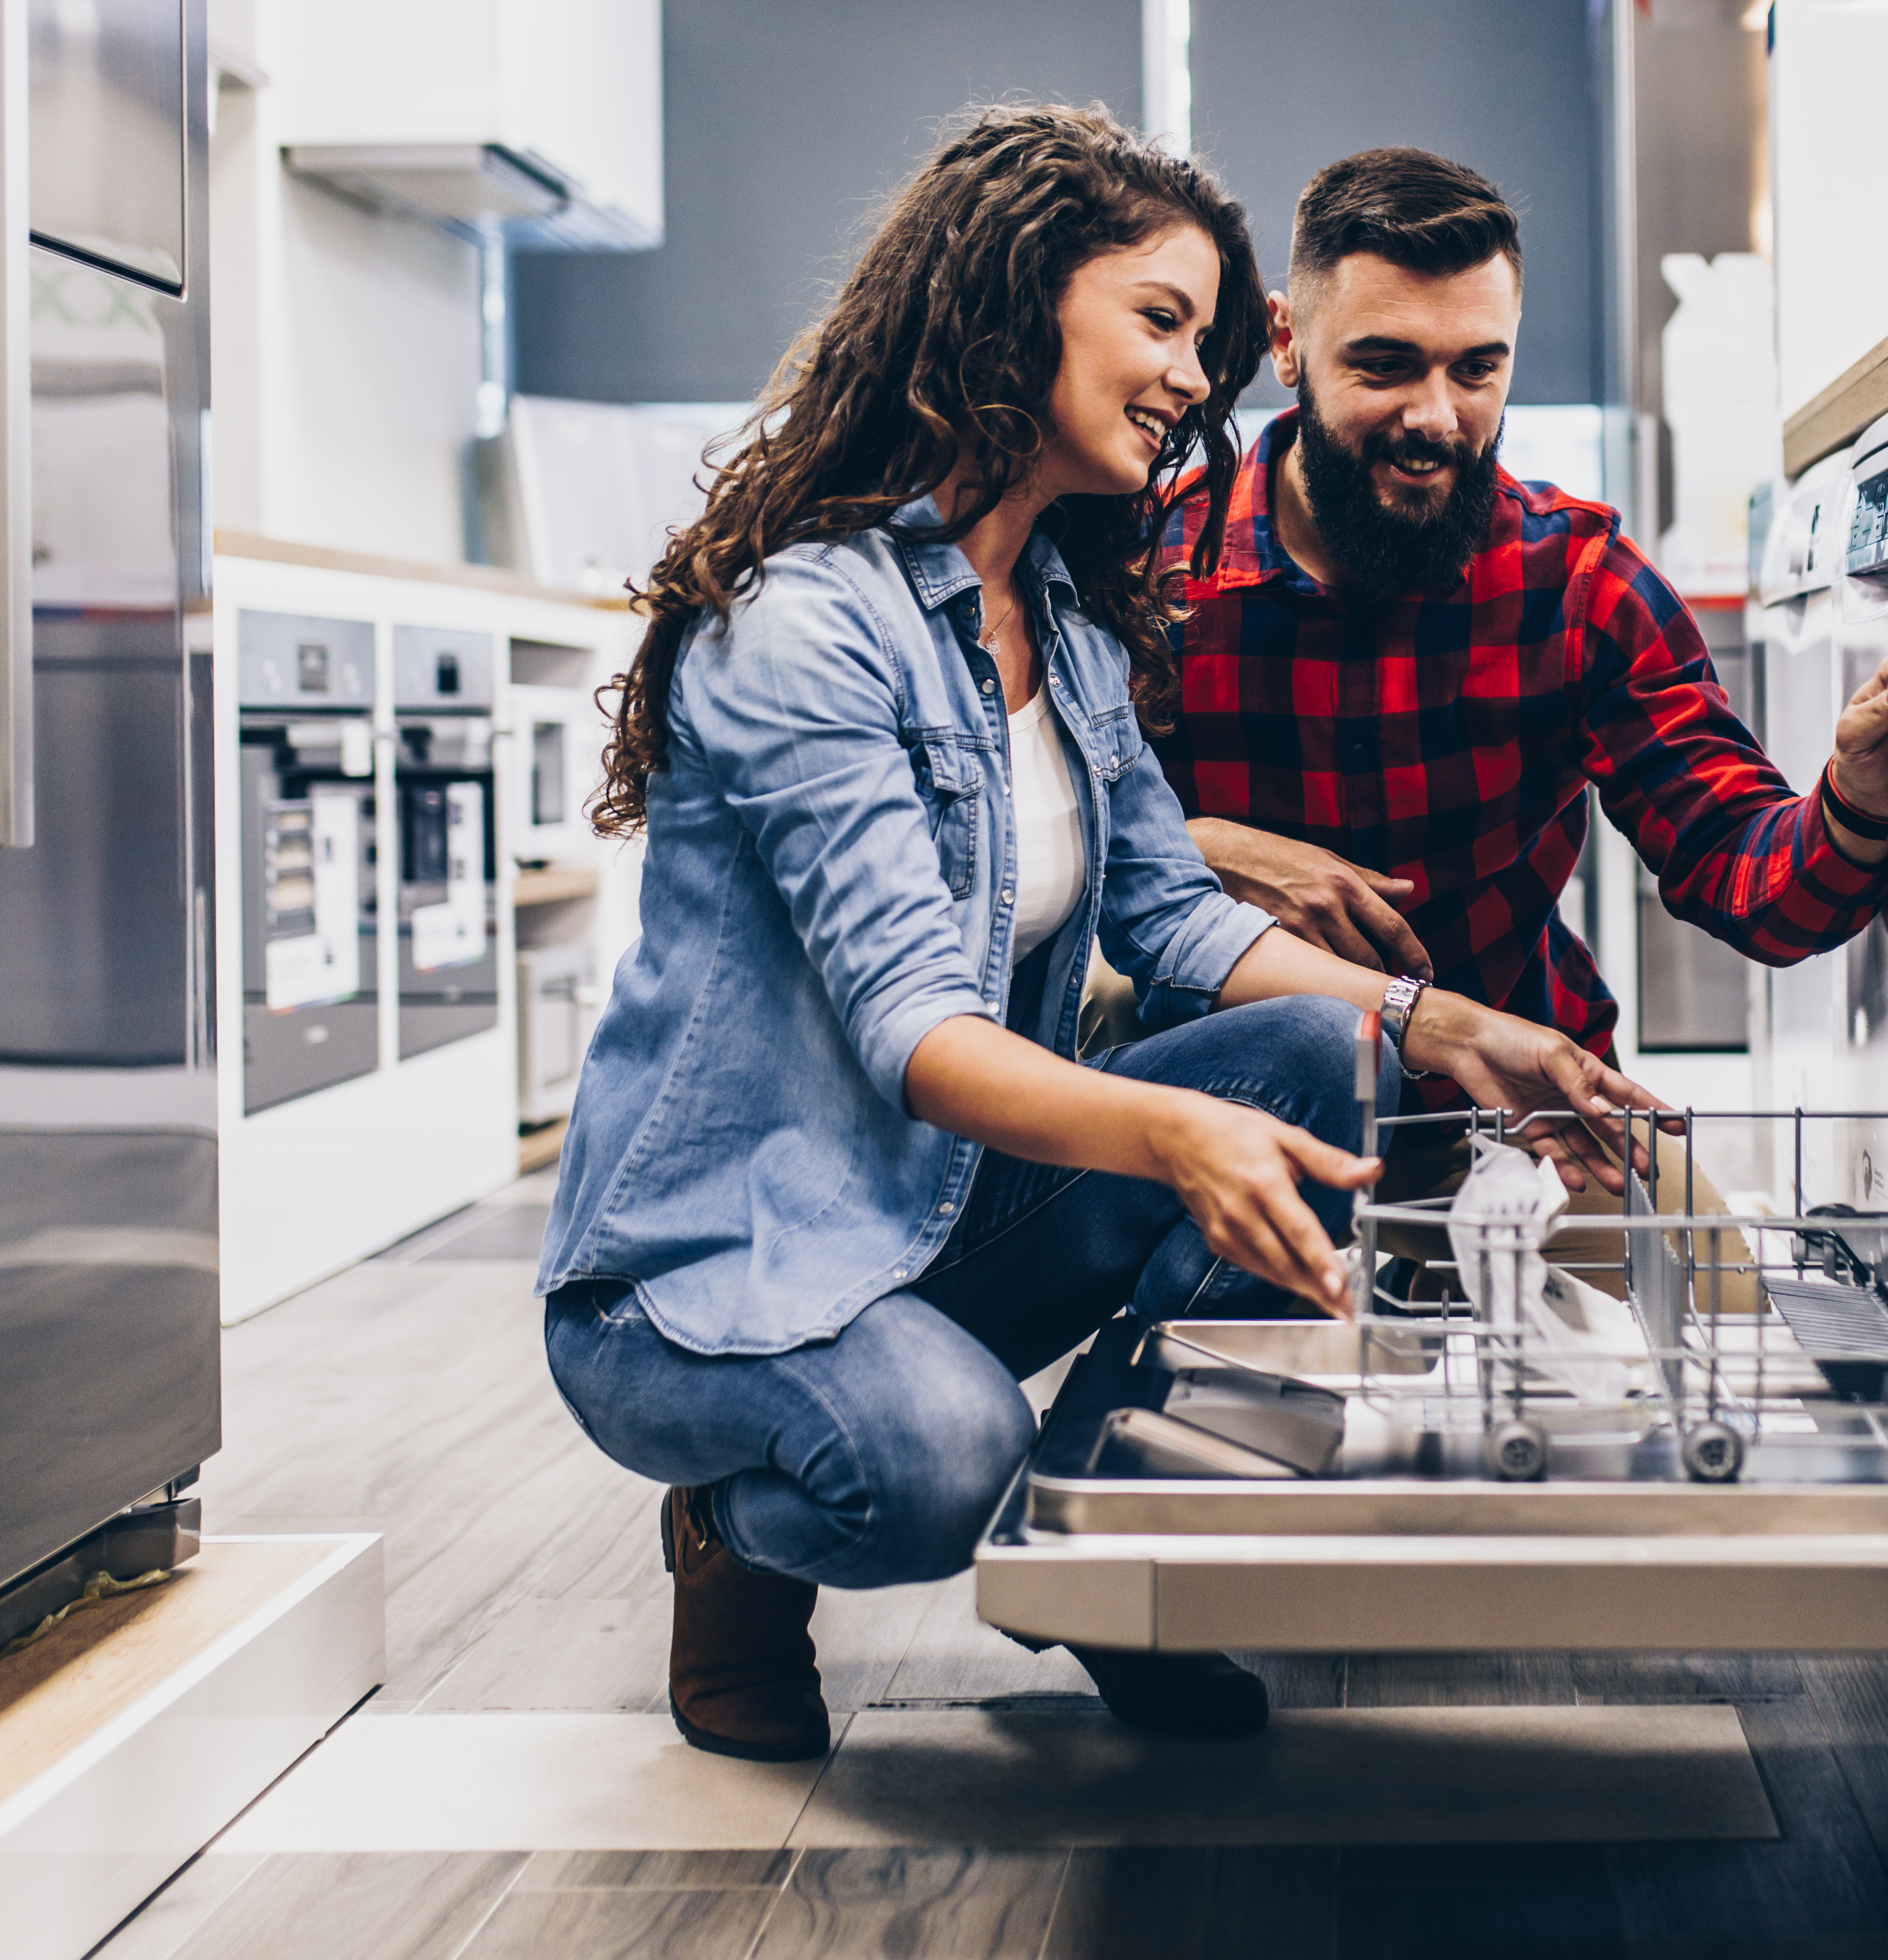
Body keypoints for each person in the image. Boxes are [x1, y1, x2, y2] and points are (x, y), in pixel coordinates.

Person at [536, 107, 1654, 1762]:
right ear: (1010, 302)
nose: (1197, 381)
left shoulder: (1053, 608)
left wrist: (1452, 1029)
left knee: (1324, 1049)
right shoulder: (806, 624)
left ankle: (1126, 1558)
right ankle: (731, 1536)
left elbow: (1170, 909)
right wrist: (1180, 1129)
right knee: (934, 1463)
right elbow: (919, 1036)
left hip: (929, 1222)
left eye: (1204, 340)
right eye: (1159, 322)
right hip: (715, 1268)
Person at [1150, 148, 1888, 1142]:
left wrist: (1857, 803)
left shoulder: (1578, 585)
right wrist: (1195, 852)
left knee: (1702, 1284)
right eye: (1384, 364)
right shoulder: (1150, 579)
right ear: (1286, 342)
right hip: (1222, 1134)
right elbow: (1030, 863)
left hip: (1525, 1125)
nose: (1435, 419)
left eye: (1477, 369)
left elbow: (1746, 879)